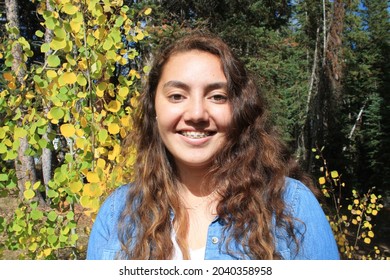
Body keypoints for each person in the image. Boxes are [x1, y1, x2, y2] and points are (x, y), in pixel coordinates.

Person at [86, 32, 340, 260]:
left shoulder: (291, 206)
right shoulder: (117, 214)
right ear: (154, 111)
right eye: (177, 96)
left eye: (217, 97)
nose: (197, 114)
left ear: (239, 110)